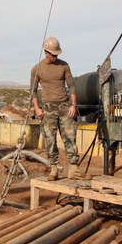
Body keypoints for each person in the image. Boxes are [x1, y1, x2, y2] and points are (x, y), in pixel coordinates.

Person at [30, 37, 87, 181]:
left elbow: (72, 86)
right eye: (53, 54)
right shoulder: (37, 69)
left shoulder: (64, 66)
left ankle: (73, 168)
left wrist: (73, 105)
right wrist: (37, 108)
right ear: (46, 52)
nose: (55, 57)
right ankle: (53, 168)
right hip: (48, 108)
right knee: (50, 138)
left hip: (64, 106)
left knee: (70, 136)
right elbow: (33, 91)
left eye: (57, 54)